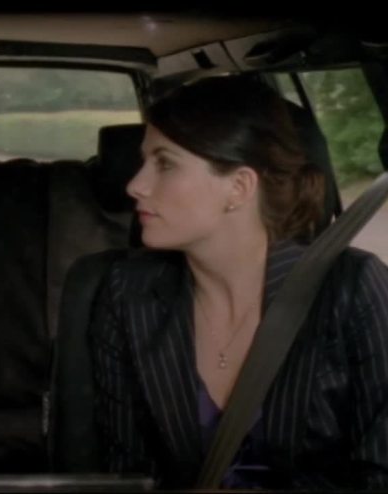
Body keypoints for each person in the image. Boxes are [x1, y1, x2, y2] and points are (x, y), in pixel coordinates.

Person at [89, 76, 388, 489]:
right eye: (144, 162)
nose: (134, 185)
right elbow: (127, 471)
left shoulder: (350, 289)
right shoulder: (127, 292)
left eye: (165, 163)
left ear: (239, 186)